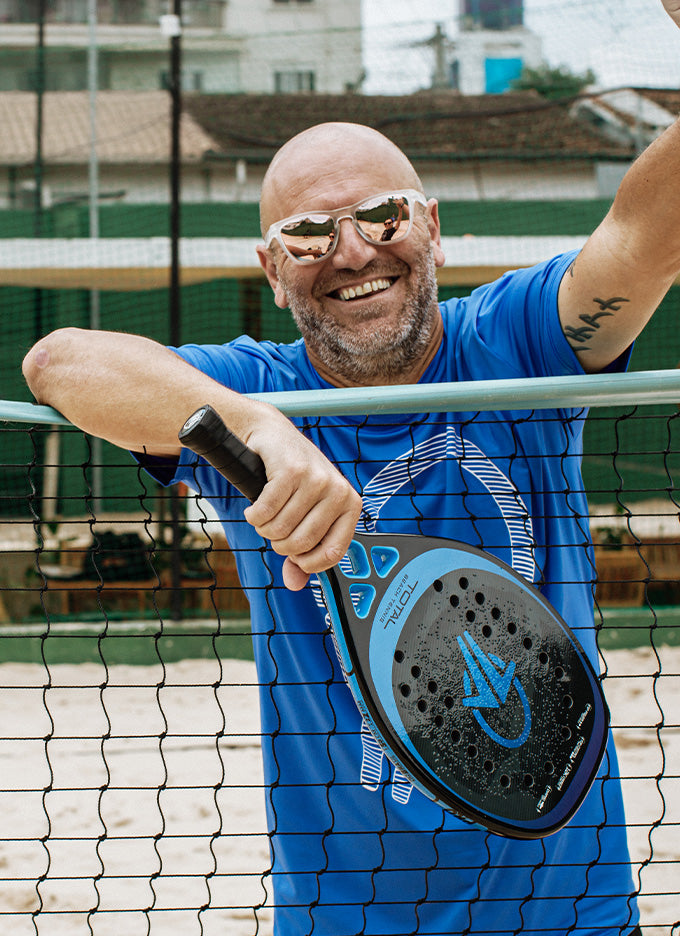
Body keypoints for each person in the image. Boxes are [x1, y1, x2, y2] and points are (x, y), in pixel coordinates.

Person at [22, 3, 680, 930]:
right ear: (270, 266)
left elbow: (645, 236)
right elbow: (58, 363)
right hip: (351, 914)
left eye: (381, 214)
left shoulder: (519, 342)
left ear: (432, 225)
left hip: (567, 909)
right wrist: (263, 430)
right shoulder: (252, 392)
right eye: (308, 232)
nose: (353, 249)